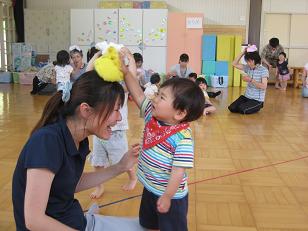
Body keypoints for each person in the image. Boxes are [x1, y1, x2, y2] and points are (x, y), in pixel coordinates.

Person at [12, 69, 141, 230]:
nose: (119, 118)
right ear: (86, 110)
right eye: (115, 110)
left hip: (76, 221)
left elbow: (71, 182)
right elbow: (34, 220)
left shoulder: (79, 139)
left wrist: (120, 167)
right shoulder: (47, 141)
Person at [122, 47, 205, 231]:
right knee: (148, 224)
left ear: (179, 113)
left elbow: (177, 172)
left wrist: (167, 196)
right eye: (157, 94)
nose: (155, 98)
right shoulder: (152, 114)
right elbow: (137, 93)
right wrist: (126, 71)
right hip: (150, 188)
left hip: (171, 197)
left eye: (162, 97)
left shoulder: (182, 138)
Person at [88, 86, 137, 199]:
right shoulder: (101, 88)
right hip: (99, 131)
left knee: (124, 161)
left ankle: (133, 178)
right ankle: (99, 186)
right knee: (97, 161)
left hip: (116, 134)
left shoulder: (121, 90)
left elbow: (130, 79)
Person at [229, 45, 269, 114]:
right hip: (246, 97)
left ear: (255, 60)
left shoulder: (263, 70)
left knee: (242, 110)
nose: (248, 63)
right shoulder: (248, 67)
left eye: (250, 61)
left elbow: (264, 86)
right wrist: (243, 52)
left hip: (257, 100)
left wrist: (250, 80)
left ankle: (257, 106)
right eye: (247, 61)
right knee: (231, 108)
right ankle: (247, 106)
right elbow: (234, 64)